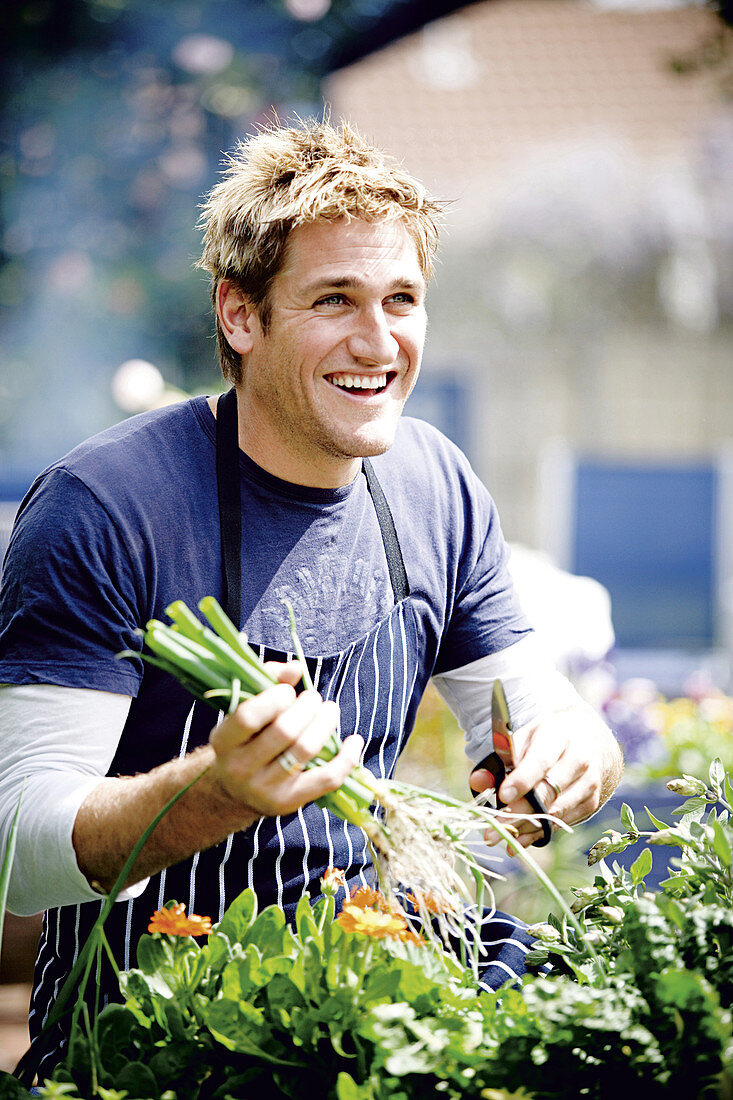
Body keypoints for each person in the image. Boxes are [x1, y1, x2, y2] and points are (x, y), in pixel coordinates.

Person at [0, 119, 622, 1075]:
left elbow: (537, 712)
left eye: (401, 299)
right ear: (241, 315)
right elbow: (18, 850)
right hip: (148, 1031)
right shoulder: (109, 506)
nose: (378, 343)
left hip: (370, 999)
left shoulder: (435, 486)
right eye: (334, 300)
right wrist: (210, 795)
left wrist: (574, 754)